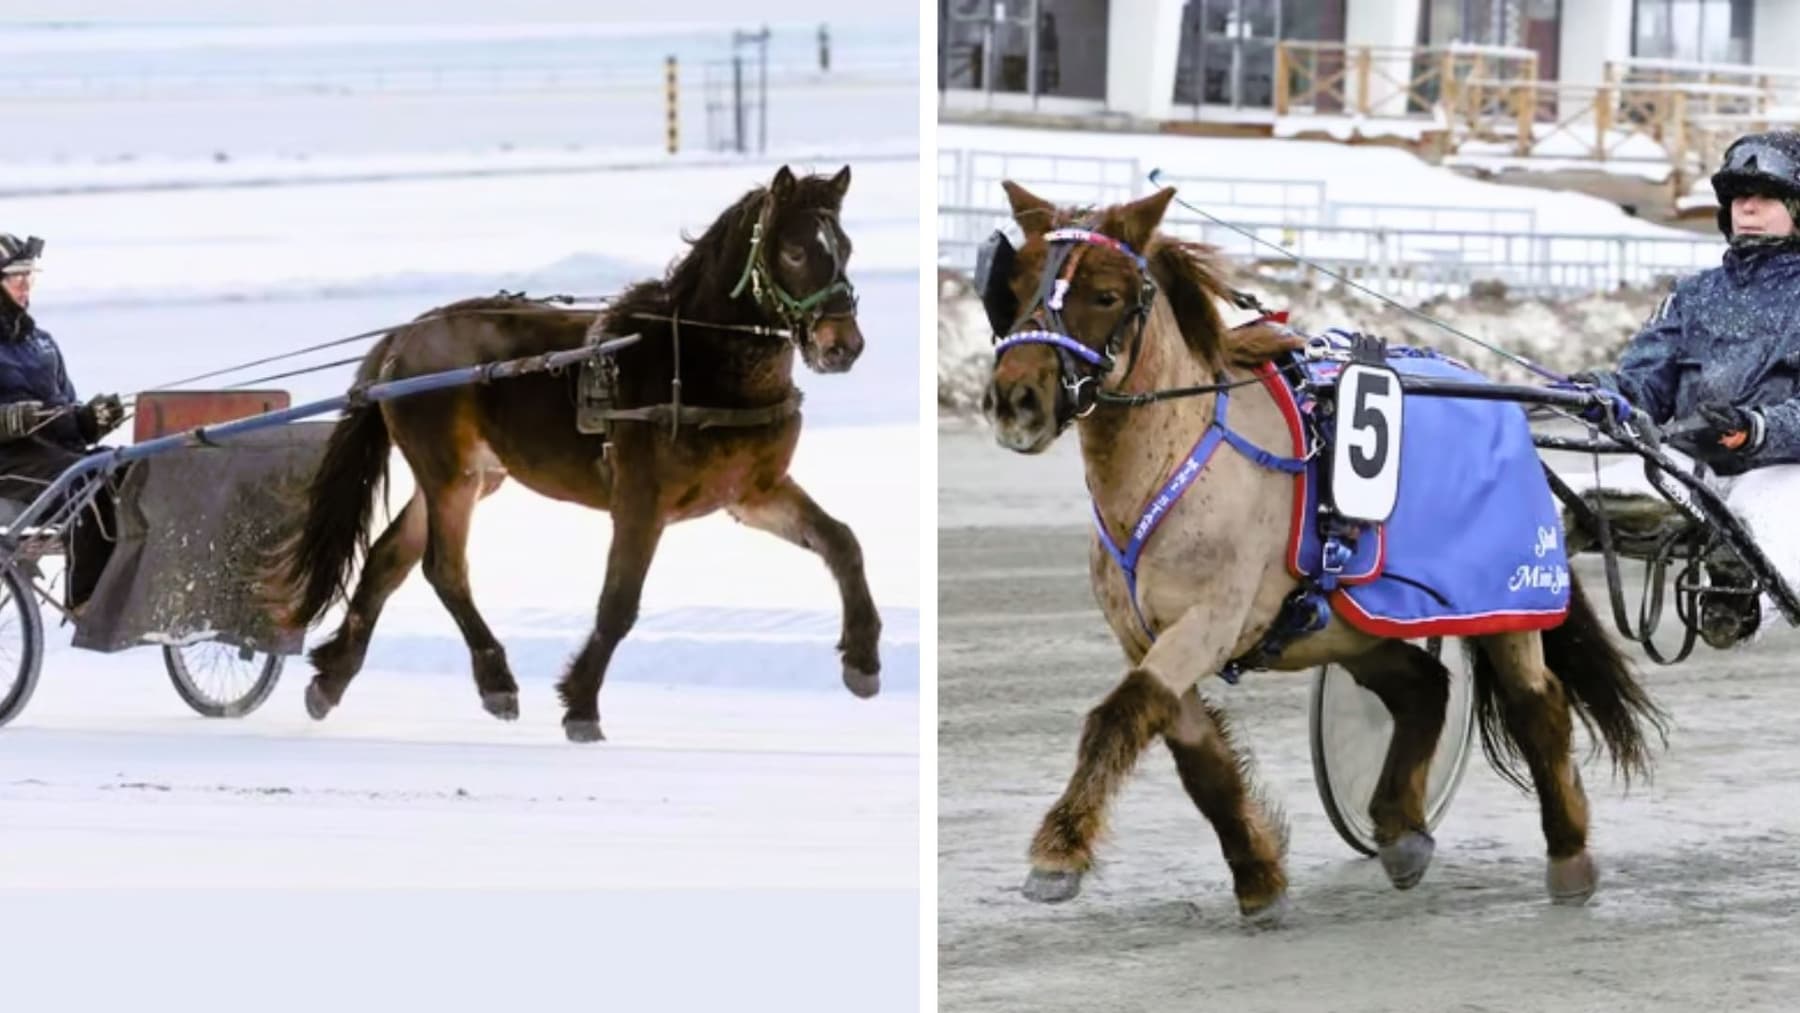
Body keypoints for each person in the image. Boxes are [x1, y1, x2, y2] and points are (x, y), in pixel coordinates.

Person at [1573, 129, 1800, 648]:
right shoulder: (1692, 294)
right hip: (1690, 459)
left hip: (1783, 469)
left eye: (1765, 196)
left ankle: (1736, 596)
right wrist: (1604, 393)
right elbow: (1644, 385)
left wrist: (1755, 430)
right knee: (1582, 497)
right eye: (1740, 197)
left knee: (1759, 519)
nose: (1748, 208)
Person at [0, 233, 125, 614]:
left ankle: (130, 587)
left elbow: (64, 418)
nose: (26, 286)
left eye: (29, 276)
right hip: (8, 466)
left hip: (53, 457)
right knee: (83, 481)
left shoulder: (42, 343)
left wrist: (89, 422)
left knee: (128, 471)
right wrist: (7, 421)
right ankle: (84, 598)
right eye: (15, 277)